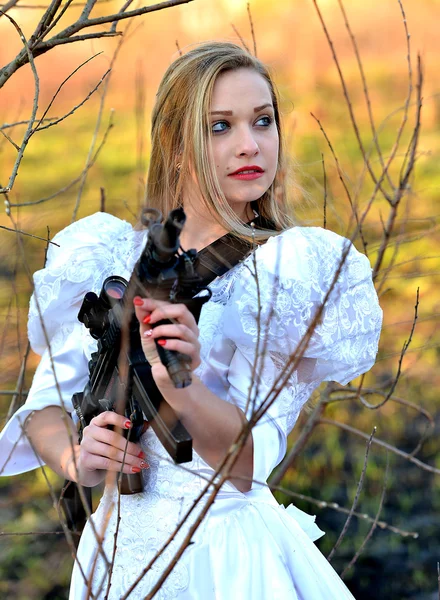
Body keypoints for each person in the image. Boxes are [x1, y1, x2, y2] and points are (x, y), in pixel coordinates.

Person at [0, 42, 382, 599]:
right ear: (177, 145)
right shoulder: (108, 257)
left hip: (225, 562)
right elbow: (45, 404)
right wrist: (76, 457)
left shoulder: (283, 275)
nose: (250, 144)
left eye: (263, 121)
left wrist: (179, 383)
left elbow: (247, 464)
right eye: (219, 127)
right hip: (115, 555)